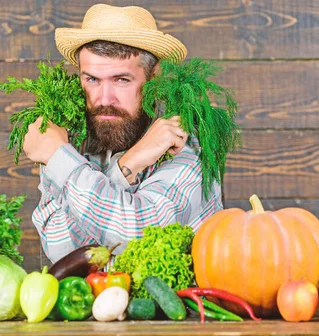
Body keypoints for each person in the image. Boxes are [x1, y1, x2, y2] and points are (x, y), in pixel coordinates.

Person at [23, 4, 223, 263]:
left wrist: (60, 161)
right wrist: (128, 165)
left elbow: (136, 234)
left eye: (122, 80)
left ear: (154, 77)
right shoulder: (67, 140)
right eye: (92, 79)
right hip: (90, 303)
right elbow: (62, 250)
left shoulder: (188, 141)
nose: (104, 99)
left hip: (176, 304)